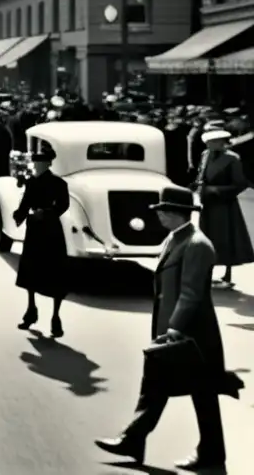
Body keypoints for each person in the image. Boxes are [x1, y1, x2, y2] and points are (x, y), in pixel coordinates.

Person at [95, 186, 227, 471]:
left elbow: (191, 293)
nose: (159, 216)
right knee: (161, 388)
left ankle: (206, 453)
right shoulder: (175, 239)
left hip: (191, 336)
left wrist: (175, 328)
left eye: (162, 211)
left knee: (199, 395)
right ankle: (135, 440)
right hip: (175, 332)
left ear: (175, 213)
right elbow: (163, 276)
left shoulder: (197, 245)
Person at [13, 147, 70, 337]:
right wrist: (19, 215)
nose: (37, 165)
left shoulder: (58, 183)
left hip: (51, 230)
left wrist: (46, 213)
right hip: (35, 230)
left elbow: (63, 204)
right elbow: (25, 203)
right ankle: (31, 310)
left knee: (55, 272)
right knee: (31, 270)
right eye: (36, 162)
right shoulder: (31, 182)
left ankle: (56, 316)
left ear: (48, 164)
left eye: (41, 162)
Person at [192, 128, 253, 289]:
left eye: (213, 142)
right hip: (208, 203)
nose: (210, 145)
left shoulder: (232, 159)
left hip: (225, 205)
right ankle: (208, 271)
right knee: (207, 237)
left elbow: (240, 183)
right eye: (208, 142)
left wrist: (217, 190)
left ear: (222, 143)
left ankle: (227, 274)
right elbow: (201, 174)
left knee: (226, 238)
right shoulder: (205, 155)